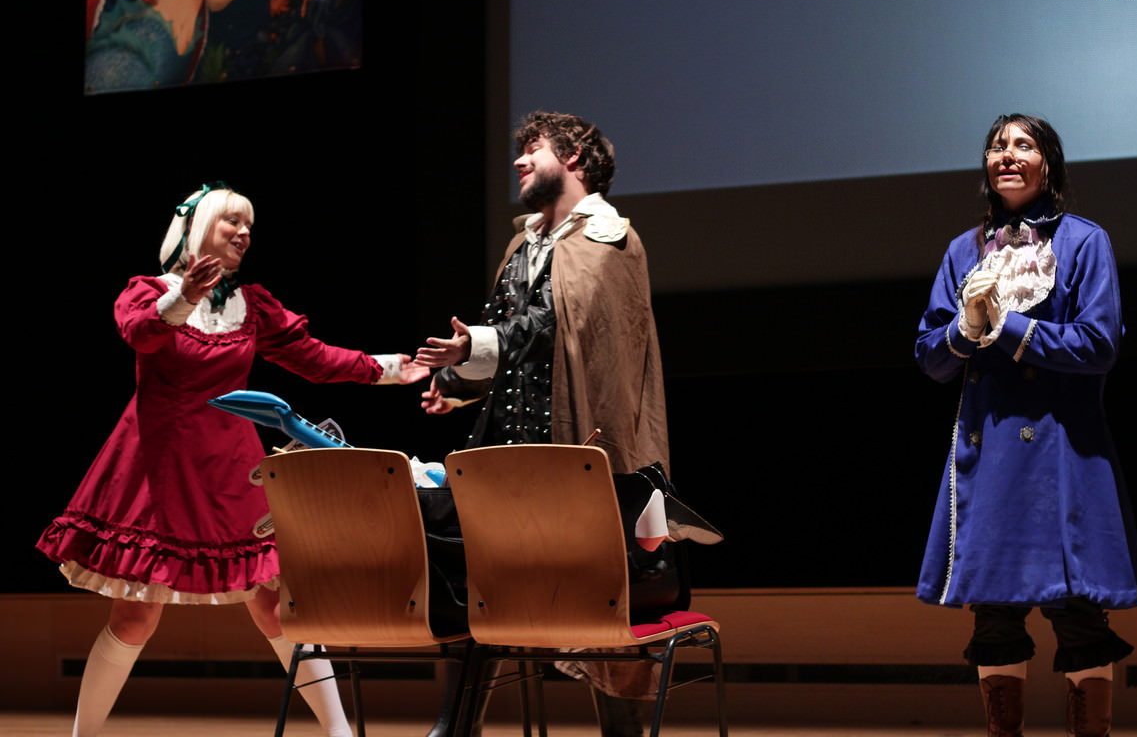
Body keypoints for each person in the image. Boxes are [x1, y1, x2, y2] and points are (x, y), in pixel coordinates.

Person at [36, 184, 429, 737]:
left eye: (249, 226)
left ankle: (340, 734)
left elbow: (313, 358)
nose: (244, 233)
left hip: (230, 468)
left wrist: (385, 368)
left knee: (276, 606)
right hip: (159, 467)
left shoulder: (250, 305)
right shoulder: (149, 292)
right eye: (232, 222)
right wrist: (185, 297)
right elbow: (141, 335)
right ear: (198, 228)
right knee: (134, 616)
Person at [416, 111, 670, 737]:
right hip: (506, 449)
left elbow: (563, 325)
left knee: (596, 591)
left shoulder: (609, 240)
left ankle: (623, 733)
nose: (519, 160)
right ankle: (456, 726)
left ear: (575, 157)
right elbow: (510, 335)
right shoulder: (524, 244)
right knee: (480, 582)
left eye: (533, 148)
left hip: (577, 446)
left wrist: (476, 345)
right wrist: (458, 383)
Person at [914, 115, 1137, 737]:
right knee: (992, 612)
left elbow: (1099, 344)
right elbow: (932, 359)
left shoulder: (1084, 241)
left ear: (1049, 163)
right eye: (998, 146)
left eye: (1023, 145)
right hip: (989, 451)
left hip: (1062, 447)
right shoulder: (963, 251)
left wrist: (1008, 327)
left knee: (1078, 611)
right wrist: (965, 328)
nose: (1007, 155)